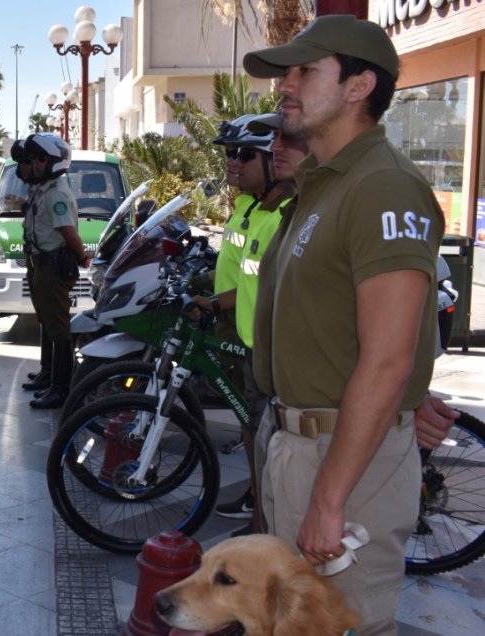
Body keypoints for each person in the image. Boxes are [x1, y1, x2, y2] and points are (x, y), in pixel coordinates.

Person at [244, 16, 444, 633]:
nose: (286, 84)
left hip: (342, 462)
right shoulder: (324, 185)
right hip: (300, 441)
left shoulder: (381, 186)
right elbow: (344, 325)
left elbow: (388, 360)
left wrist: (329, 499)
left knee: (339, 625)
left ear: (359, 87)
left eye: (306, 70)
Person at [192, 115, 300, 535]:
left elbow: (263, 284)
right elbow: (240, 270)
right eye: (229, 154)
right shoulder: (250, 205)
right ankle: (258, 505)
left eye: (244, 154)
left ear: (273, 161)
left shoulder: (282, 213)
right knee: (250, 427)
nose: (232, 162)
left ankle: (262, 527)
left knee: (264, 438)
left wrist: (216, 301)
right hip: (238, 332)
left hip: (267, 345)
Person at [19, 133, 90, 409]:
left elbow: (68, 232)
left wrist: (82, 255)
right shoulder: (43, 188)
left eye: (40, 158)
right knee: (48, 322)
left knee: (59, 328)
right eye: (33, 159)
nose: (34, 164)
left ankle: (61, 387)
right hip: (40, 263)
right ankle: (49, 375)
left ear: (56, 162)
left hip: (53, 265)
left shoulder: (57, 192)